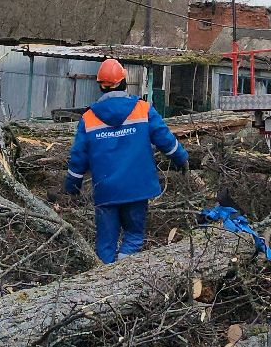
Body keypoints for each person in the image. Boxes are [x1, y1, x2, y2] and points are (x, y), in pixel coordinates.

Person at [61, 58, 189, 263]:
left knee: (105, 244)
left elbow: (78, 157)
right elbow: (165, 139)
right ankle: (122, 273)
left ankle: (105, 280)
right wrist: (181, 158)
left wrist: (72, 186)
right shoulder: (143, 109)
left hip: (106, 191)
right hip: (137, 189)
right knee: (134, 236)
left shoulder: (88, 118)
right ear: (123, 82)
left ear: (100, 86)